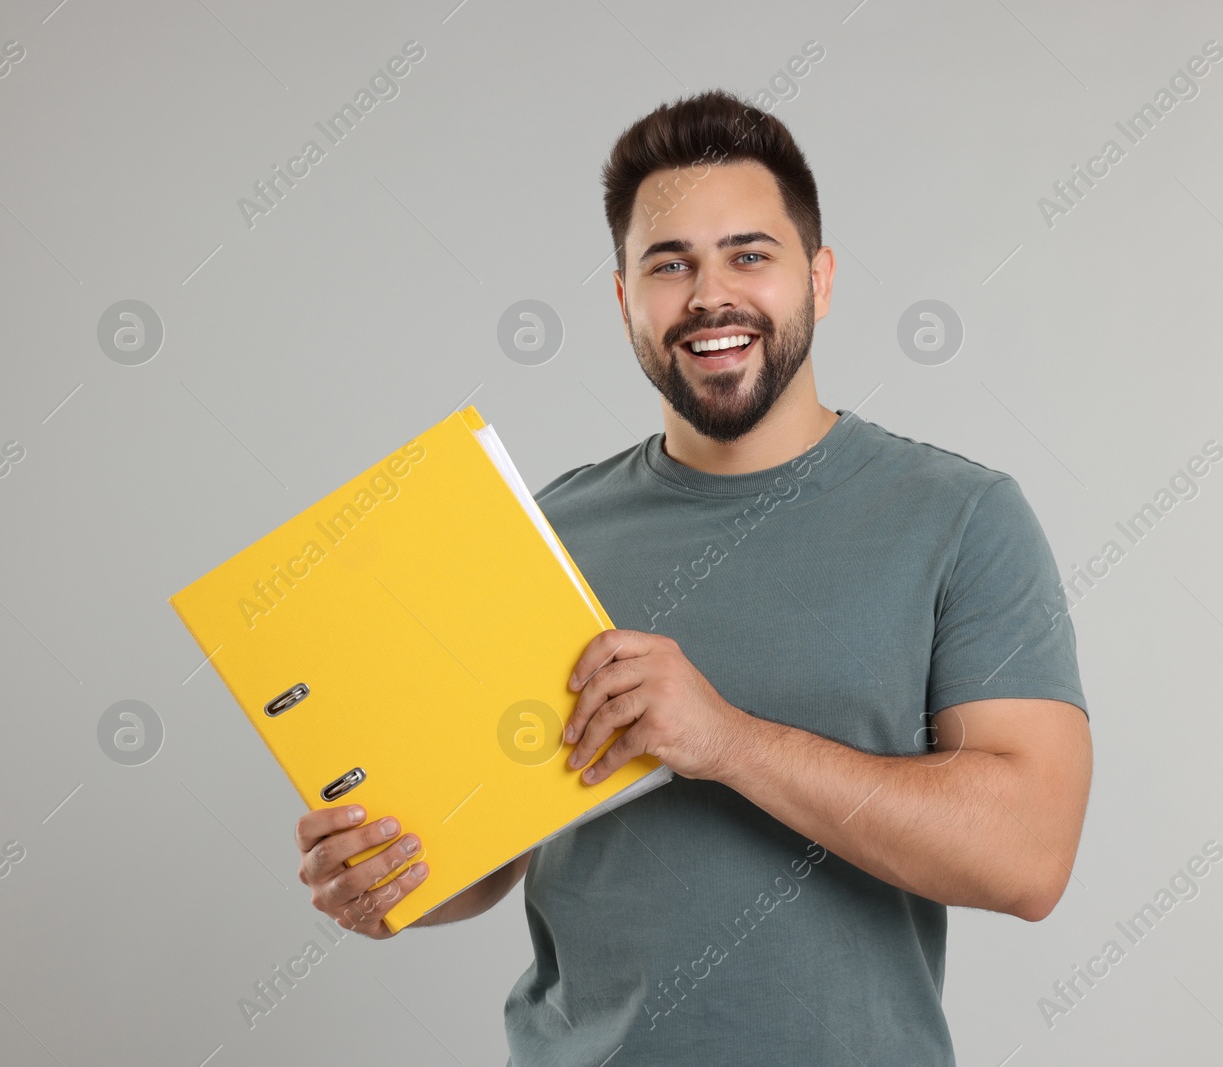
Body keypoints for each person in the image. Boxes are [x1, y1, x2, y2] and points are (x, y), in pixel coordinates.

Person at [295, 89, 1092, 1064]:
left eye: (748, 254)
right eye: (668, 264)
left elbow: (1028, 857)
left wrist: (727, 741)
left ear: (819, 278)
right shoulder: (542, 534)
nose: (709, 295)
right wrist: (392, 882)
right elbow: (482, 853)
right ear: (625, 298)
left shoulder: (959, 517)